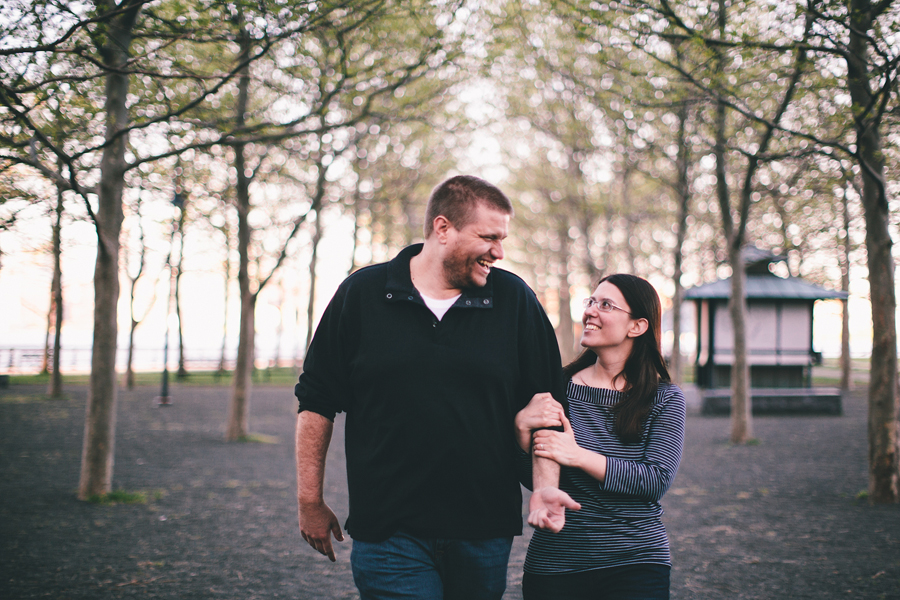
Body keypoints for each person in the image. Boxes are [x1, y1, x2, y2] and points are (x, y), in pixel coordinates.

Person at [294, 175, 580, 600]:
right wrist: (309, 500)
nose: (498, 253)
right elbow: (316, 401)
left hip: (482, 530)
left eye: (502, 239)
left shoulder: (515, 300)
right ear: (443, 229)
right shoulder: (363, 295)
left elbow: (547, 409)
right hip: (389, 531)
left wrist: (544, 486)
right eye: (488, 237)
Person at [514, 274, 686, 600]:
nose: (591, 311)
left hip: (636, 562)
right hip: (556, 564)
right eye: (590, 301)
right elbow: (537, 483)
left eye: (605, 304)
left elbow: (655, 480)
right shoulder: (557, 388)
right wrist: (522, 433)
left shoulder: (664, 398)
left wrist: (577, 455)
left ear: (637, 326)